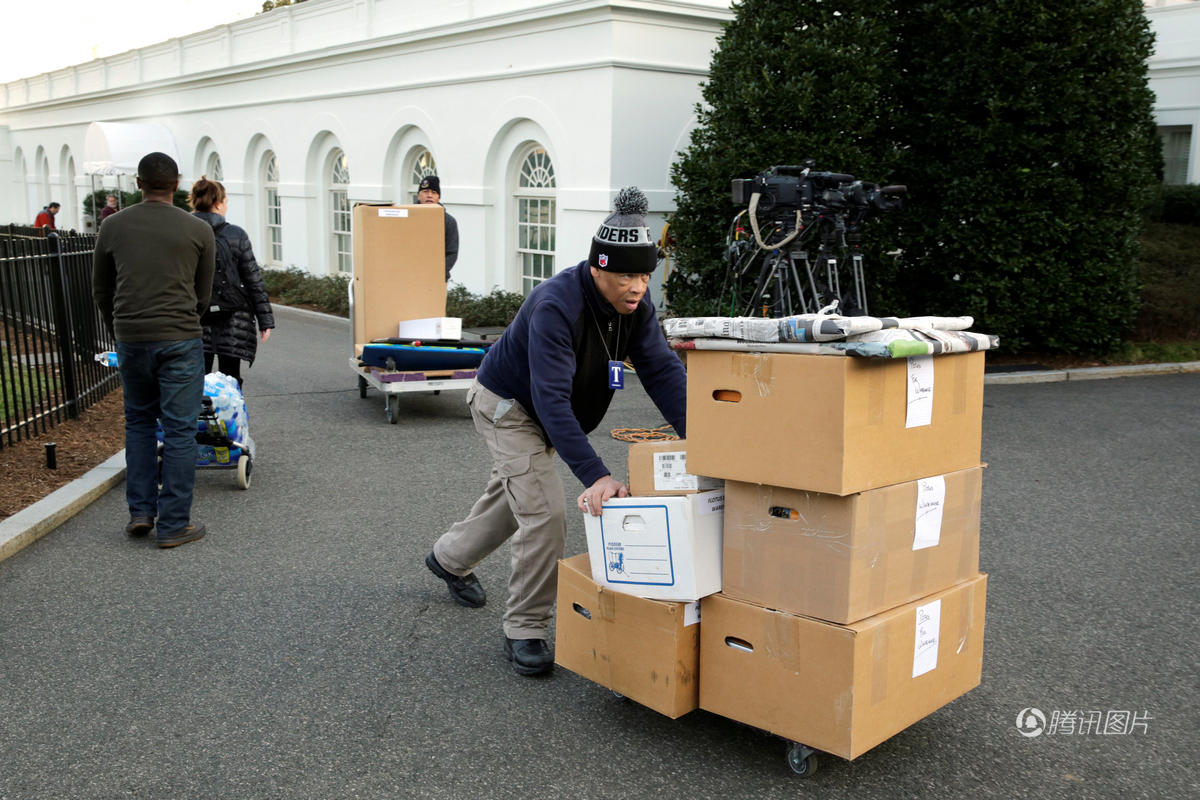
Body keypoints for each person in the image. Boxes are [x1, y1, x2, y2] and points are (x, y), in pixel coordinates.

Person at [424, 187, 686, 676]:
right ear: (597, 268)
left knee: (519, 497)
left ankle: (448, 558)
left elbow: (664, 375)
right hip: (509, 407)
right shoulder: (556, 305)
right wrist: (596, 475)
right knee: (545, 511)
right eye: (627, 274)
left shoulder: (638, 310)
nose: (638, 287)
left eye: (646, 275)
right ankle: (525, 626)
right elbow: (549, 399)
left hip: (552, 415)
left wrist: (708, 439)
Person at [92, 152, 215, 548]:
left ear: (138, 184)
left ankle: (141, 512)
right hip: (179, 336)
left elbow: (101, 289)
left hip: (131, 335)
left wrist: (120, 326)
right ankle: (174, 524)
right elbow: (203, 293)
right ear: (176, 184)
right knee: (179, 429)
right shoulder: (198, 230)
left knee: (140, 423)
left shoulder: (113, 226)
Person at [188, 176, 275, 387]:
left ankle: (199, 419)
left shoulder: (184, 232)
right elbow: (252, 277)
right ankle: (229, 418)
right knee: (230, 377)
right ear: (218, 204)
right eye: (226, 201)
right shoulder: (235, 234)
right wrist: (265, 320)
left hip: (194, 315)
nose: (226, 206)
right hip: (233, 315)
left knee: (197, 379)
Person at [416, 175, 459, 280]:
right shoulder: (407, 217)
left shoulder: (449, 222)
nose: (429, 195)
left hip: (437, 278)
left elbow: (452, 253)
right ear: (418, 196)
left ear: (438, 197)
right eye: (426, 191)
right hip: (410, 276)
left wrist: (437, 273)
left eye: (434, 192)